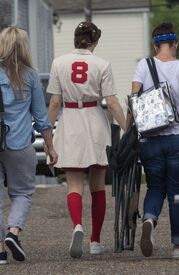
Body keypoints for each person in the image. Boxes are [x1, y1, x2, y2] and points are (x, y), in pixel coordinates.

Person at [46, 21, 126, 258]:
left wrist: (47, 132)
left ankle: (77, 226)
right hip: (95, 121)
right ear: (95, 41)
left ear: (75, 39)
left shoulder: (59, 63)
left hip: (70, 121)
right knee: (98, 186)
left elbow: (54, 103)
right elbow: (111, 102)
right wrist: (127, 127)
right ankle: (95, 241)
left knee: (74, 184)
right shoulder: (102, 64)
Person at [0, 27, 58, 264]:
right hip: (19, 143)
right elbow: (41, 117)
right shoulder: (31, 76)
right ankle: (13, 233)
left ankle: (1, 253)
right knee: (22, 192)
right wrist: (50, 146)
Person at [130, 22, 179, 258]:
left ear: (155, 44)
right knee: (176, 192)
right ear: (175, 44)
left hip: (150, 139)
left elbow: (134, 99)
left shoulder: (143, 65)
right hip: (176, 138)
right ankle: (177, 246)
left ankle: (149, 219)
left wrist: (128, 130)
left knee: (156, 187)